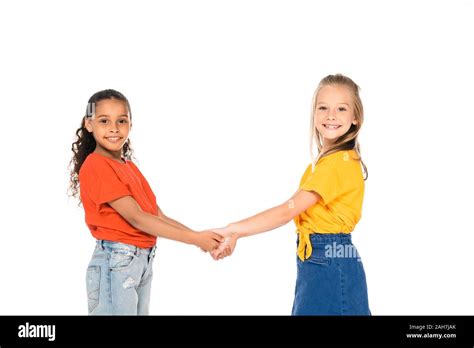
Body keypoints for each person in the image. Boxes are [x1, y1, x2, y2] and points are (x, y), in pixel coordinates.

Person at [211, 74, 371, 315]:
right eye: (323, 107)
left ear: (355, 118)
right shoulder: (325, 164)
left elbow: (287, 211)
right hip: (325, 260)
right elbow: (291, 207)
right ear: (314, 113)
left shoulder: (336, 165)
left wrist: (234, 229)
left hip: (330, 260)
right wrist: (236, 233)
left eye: (341, 109)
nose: (331, 115)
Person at [68, 89, 223, 315]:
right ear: (89, 124)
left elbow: (156, 214)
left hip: (139, 260)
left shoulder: (128, 167)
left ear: (131, 124)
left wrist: (199, 237)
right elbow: (137, 218)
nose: (114, 128)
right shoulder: (96, 165)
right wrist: (195, 239)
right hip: (117, 261)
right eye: (104, 121)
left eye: (122, 121)